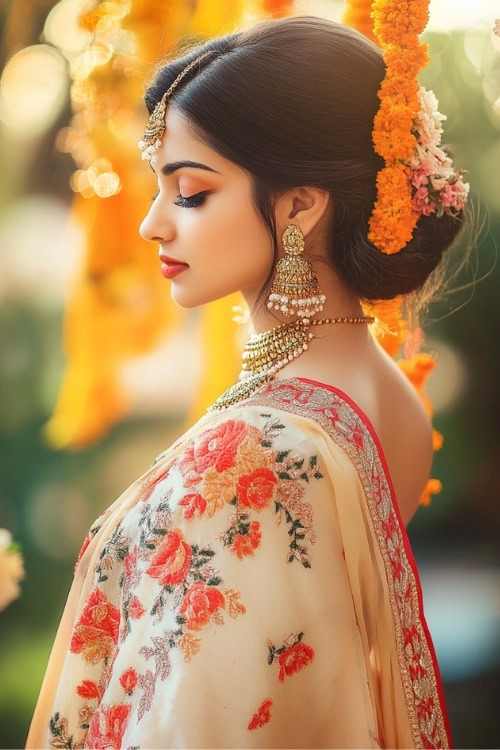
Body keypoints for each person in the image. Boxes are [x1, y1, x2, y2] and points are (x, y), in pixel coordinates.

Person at [25, 15, 467, 749]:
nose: (150, 225)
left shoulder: (255, 449)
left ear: (299, 204)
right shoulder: (393, 397)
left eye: (190, 192)